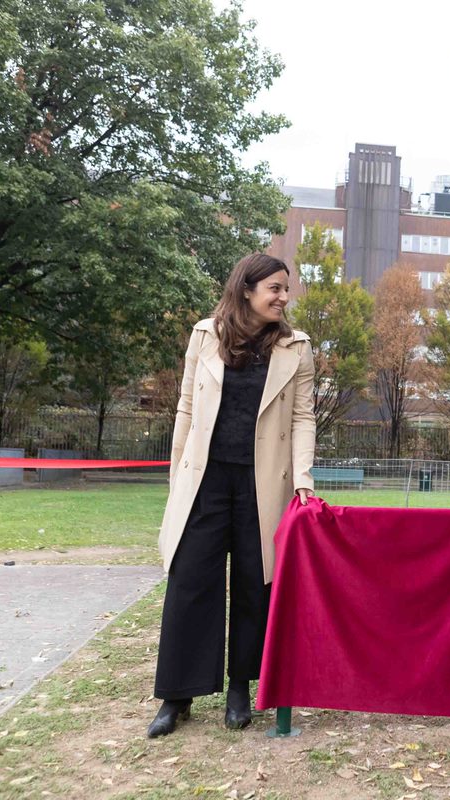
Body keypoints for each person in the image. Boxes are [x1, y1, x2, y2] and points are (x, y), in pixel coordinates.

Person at [147, 253, 317, 738]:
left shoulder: (296, 347)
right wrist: (178, 475)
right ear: (247, 290)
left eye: (286, 289)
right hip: (205, 480)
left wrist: (302, 478)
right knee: (189, 581)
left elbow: (302, 417)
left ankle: (239, 688)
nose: (284, 298)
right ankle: (176, 696)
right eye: (275, 288)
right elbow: (185, 407)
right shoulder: (206, 335)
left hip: (263, 482)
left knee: (253, 584)